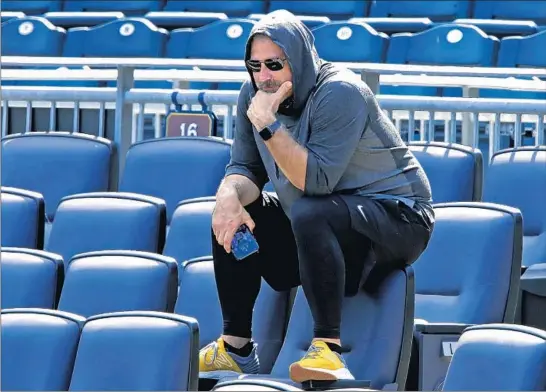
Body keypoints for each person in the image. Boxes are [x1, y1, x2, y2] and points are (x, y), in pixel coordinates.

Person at [199, 10, 435, 383]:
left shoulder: (340, 91)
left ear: (299, 59)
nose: (264, 77)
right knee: (232, 211)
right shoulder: (254, 96)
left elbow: (317, 181)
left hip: (400, 219)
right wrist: (228, 195)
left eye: (274, 64)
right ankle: (236, 347)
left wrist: (268, 124)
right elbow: (245, 169)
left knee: (311, 210)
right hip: (326, 229)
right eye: (255, 66)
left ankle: (327, 348)